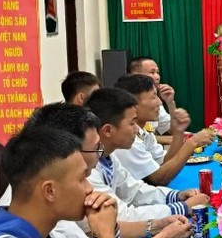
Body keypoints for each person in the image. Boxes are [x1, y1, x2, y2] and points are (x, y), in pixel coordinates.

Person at [0, 102, 193, 238]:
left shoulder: (54, 199)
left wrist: (158, 227)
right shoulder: (37, 214)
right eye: (96, 147)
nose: (89, 188)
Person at [0, 127, 125, 238]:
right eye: (81, 179)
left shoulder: (44, 236)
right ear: (50, 191)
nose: (89, 189)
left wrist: (108, 236)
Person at [85, 87, 209, 222]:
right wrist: (182, 208)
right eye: (131, 123)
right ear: (108, 130)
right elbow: (121, 216)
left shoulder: (108, 156)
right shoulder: (89, 169)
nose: (136, 129)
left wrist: (176, 196)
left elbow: (134, 191)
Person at [112, 74, 214, 185]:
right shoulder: (126, 139)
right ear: (133, 104)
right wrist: (192, 142)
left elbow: (165, 161)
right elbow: (158, 179)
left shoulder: (143, 132)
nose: (160, 103)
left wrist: (179, 132)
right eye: (153, 97)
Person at [128, 57, 173, 137]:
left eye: (157, 72)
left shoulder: (155, 103)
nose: (157, 77)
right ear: (136, 76)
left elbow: (172, 130)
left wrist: (170, 103)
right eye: (152, 72)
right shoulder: (125, 103)